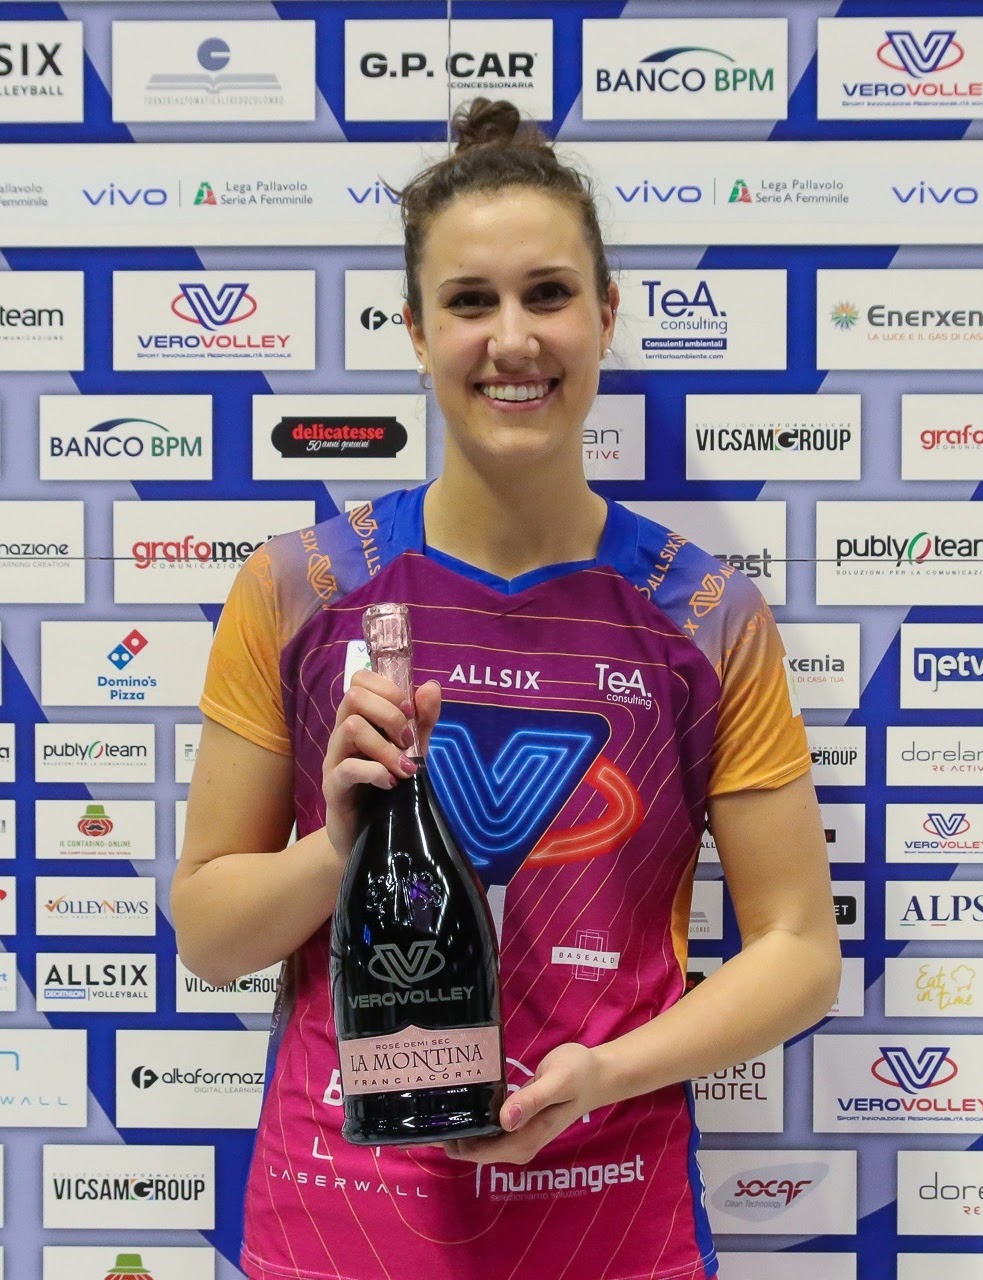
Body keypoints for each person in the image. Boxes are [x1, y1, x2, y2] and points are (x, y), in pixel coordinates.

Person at [171, 97, 841, 1280]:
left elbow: (799, 947)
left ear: (606, 314)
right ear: (417, 330)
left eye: (548, 294)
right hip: (342, 1220)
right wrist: (340, 844)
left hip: (611, 1217)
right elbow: (212, 939)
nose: (514, 339)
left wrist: (608, 1072)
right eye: (470, 301)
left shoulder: (707, 614)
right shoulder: (295, 588)